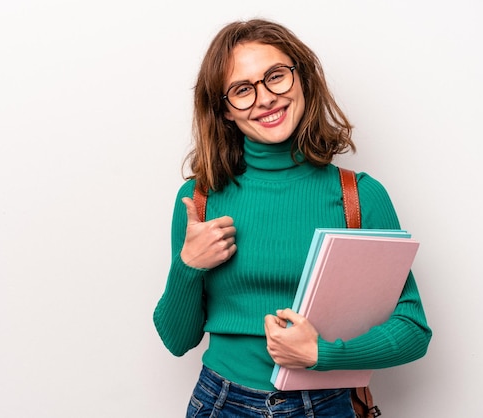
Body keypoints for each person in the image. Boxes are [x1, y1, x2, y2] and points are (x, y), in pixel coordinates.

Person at [153, 18, 432, 417]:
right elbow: (177, 340)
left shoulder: (358, 196)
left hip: (329, 404)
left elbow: (413, 330)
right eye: (242, 90)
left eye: (275, 77)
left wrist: (321, 354)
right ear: (225, 110)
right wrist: (188, 266)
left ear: (301, 78)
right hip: (220, 403)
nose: (265, 99)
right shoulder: (198, 199)